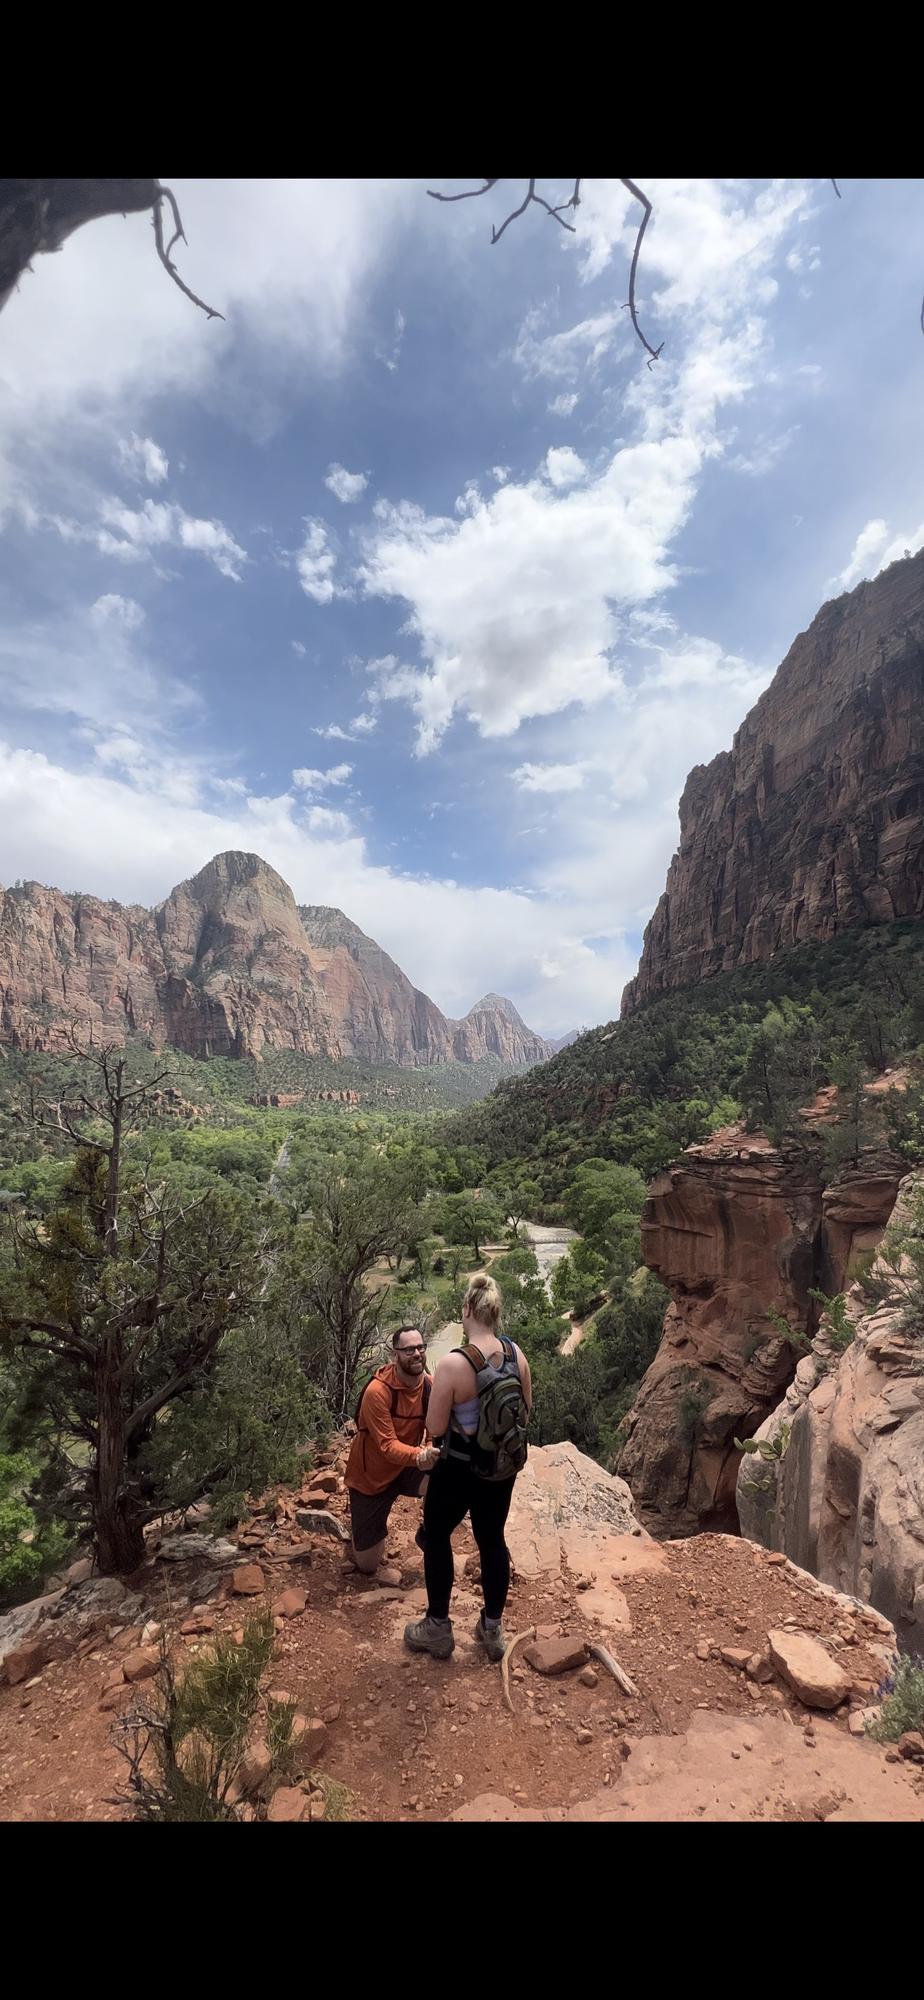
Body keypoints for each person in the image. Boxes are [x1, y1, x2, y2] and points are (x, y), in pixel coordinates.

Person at [404, 1272, 531, 1663]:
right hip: (499, 1470)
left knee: (437, 1535)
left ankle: (439, 1628)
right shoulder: (517, 1356)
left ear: (467, 1311)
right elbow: (525, 1411)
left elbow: (437, 1427)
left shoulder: (454, 1364)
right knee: (492, 1541)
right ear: (495, 1312)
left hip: (458, 1467)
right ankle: (492, 1628)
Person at [345, 1326, 440, 1575]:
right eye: (409, 1349)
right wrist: (420, 1456)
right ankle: (358, 1533)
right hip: (371, 1479)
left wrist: (430, 1449)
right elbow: (387, 1446)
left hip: (406, 1469)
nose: (417, 1353)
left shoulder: (430, 1386)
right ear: (394, 1354)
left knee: (445, 1476)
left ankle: (429, 1534)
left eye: (421, 1347)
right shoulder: (377, 1392)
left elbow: (433, 1431)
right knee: (367, 1566)